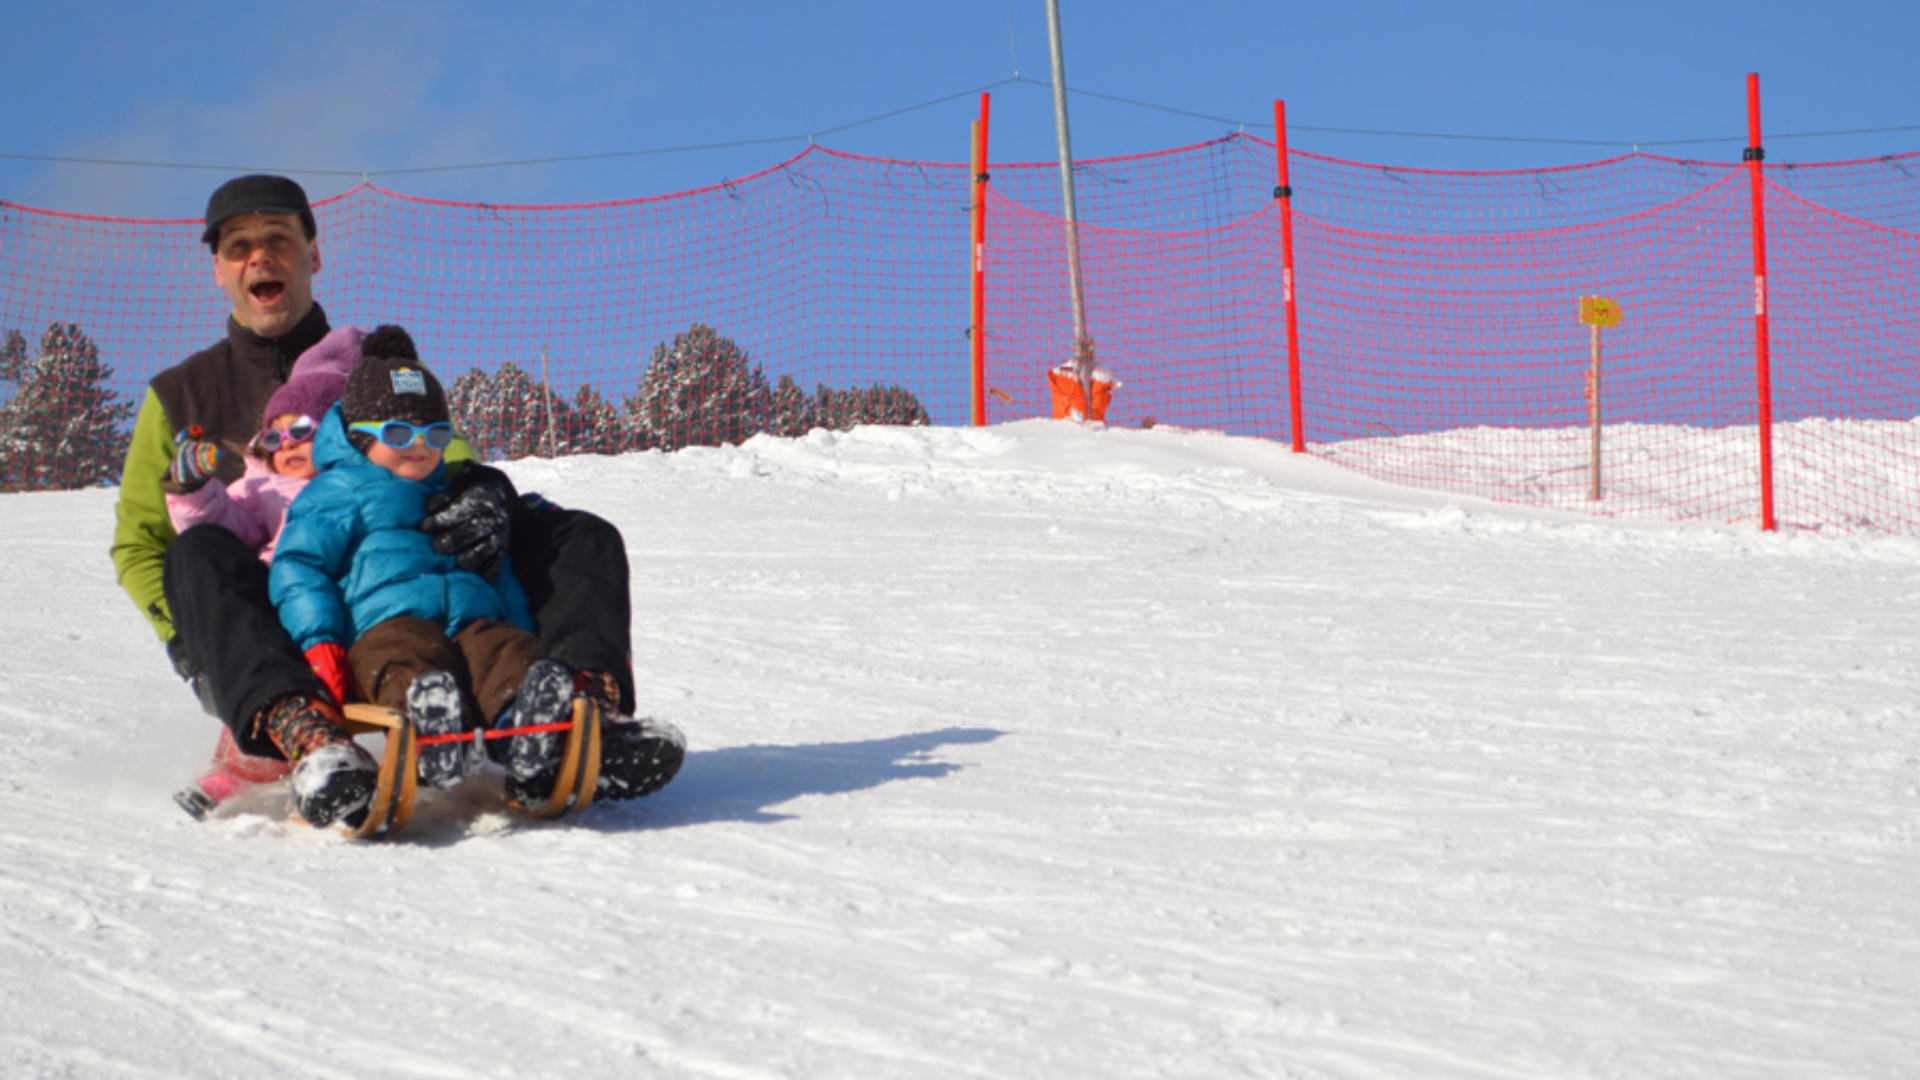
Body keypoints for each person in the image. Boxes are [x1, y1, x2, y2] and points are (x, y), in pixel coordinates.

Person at [111, 174, 683, 828]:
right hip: (282, 626)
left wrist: (485, 494)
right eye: (239, 246)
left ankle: (585, 718)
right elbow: (140, 541)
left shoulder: (374, 373)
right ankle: (307, 735)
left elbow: (451, 458)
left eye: (279, 241)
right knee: (197, 551)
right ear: (218, 268)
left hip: (402, 584)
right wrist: (189, 634)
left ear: (314, 255)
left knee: (577, 533)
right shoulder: (179, 394)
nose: (260, 257)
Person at [271, 327, 581, 817]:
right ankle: (427, 728)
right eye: (398, 433)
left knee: (505, 652)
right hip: (382, 624)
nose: (418, 446)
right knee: (405, 660)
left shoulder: (455, 491)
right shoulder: (339, 491)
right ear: (358, 437)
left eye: (434, 434)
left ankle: (529, 731)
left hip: (471, 618)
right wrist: (319, 640)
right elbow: (300, 567)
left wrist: (519, 628)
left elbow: (497, 573)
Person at [164, 324, 363, 819]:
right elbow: (223, 528)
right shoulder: (263, 489)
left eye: (303, 430)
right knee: (199, 549)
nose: (287, 444)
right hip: (276, 611)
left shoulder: (366, 481)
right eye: (275, 434)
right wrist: (194, 489)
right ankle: (259, 751)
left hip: (344, 610)